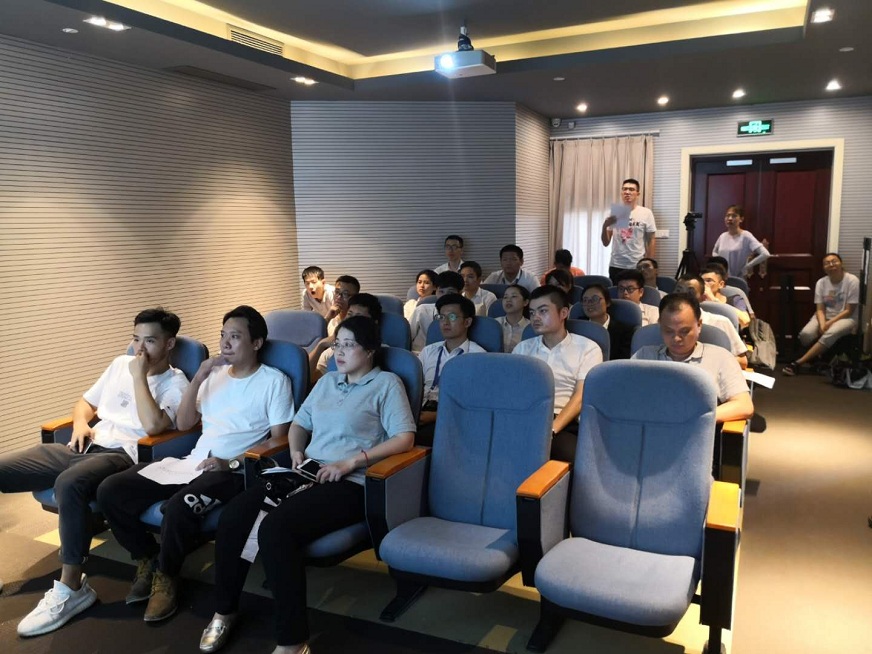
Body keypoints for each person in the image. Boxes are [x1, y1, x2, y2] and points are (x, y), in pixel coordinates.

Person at [198, 316, 415, 654]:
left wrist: (351, 462)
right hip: (306, 472)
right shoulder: (328, 381)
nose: (339, 352)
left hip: (352, 482)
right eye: (337, 344)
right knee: (234, 516)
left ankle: (293, 641)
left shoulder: (386, 384)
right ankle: (224, 611)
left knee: (275, 529)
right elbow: (299, 424)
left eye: (349, 345)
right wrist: (296, 450)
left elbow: (405, 438)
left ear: (370, 350)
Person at [96, 306, 295, 623]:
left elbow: (278, 444)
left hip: (233, 472)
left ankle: (167, 576)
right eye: (223, 335)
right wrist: (199, 377)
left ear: (257, 343)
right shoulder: (213, 375)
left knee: (177, 507)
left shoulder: (274, 382)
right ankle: (147, 556)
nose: (225, 343)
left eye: (235, 337)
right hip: (193, 462)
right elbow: (185, 422)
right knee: (111, 489)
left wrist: (230, 463)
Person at [7, 309, 189, 637]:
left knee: (69, 483)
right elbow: (85, 402)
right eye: (136, 339)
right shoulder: (120, 364)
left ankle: (72, 588)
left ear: (169, 344)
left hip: (122, 456)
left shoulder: (176, 383)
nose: (139, 348)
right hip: (83, 446)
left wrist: (140, 377)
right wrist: (80, 424)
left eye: (149, 341)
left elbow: (153, 426)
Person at [512, 287, 602, 463]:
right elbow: (514, 391)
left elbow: (581, 396)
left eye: (543, 311)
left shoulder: (587, 348)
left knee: (572, 457)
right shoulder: (522, 348)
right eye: (532, 312)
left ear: (563, 313)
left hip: (563, 420)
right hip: (525, 416)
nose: (535, 317)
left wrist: (552, 430)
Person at [633, 294, 753, 423]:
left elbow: (744, 406)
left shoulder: (720, 358)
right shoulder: (644, 356)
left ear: (699, 325)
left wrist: (695, 419)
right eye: (668, 331)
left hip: (695, 430)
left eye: (684, 331)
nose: (676, 338)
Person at [416, 294, 486, 446]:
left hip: (452, 416)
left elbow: (474, 402)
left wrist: (435, 416)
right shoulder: (428, 351)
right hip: (419, 409)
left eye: (452, 317)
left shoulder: (478, 356)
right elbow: (415, 385)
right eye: (441, 317)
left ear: (467, 322)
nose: (445, 322)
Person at [783, 253, 860, 376]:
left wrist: (828, 324)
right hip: (824, 316)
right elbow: (820, 309)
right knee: (805, 335)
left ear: (841, 264)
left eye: (834, 261)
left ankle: (798, 363)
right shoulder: (821, 282)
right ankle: (818, 358)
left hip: (847, 318)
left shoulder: (852, 280)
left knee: (830, 333)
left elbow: (849, 311)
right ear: (824, 268)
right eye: (827, 263)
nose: (831, 264)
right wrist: (822, 323)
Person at [675, 275, 749, 369]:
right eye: (678, 291)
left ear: (702, 297)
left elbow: (742, 361)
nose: (682, 296)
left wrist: (709, 362)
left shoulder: (721, 322)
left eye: (690, 292)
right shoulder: (663, 323)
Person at [311, 293, 382, 383]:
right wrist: (320, 345)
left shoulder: (378, 350)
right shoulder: (333, 351)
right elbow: (308, 379)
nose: (351, 320)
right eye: (349, 314)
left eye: (358, 317)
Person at [601, 178, 657, 283]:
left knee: (636, 291)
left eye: (631, 189)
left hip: (637, 264)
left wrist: (649, 262)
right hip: (616, 264)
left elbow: (651, 239)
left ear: (637, 193)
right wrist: (604, 226)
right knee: (616, 292)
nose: (627, 192)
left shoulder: (646, 213)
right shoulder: (614, 212)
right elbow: (605, 242)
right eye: (625, 189)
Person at [409, 271, 464, 352]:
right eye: (441, 291)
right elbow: (407, 338)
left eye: (450, 292)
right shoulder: (422, 311)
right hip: (419, 354)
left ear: (460, 293)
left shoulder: (462, 315)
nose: (444, 296)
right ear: (436, 292)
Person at [711, 205, 770, 277]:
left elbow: (765, 254)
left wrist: (747, 266)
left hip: (738, 278)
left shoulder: (746, 235)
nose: (730, 218)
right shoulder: (722, 236)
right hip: (722, 277)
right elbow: (714, 252)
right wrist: (720, 264)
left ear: (741, 219)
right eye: (727, 216)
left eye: (734, 216)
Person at [580, 283, 635, 360]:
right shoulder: (578, 327)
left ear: (608, 302)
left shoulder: (624, 332)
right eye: (585, 300)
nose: (589, 303)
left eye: (595, 299)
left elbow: (622, 362)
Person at [496, 284, 530, 352]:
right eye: (505, 297)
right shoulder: (494, 324)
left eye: (514, 296)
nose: (508, 300)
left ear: (525, 302)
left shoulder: (530, 327)